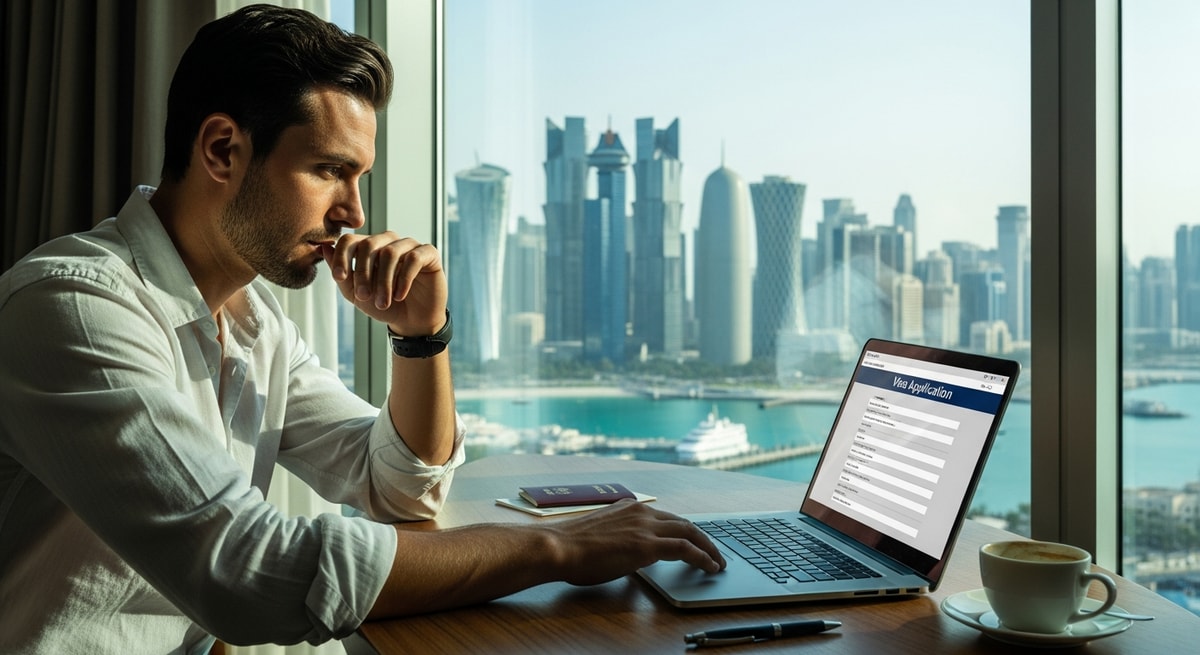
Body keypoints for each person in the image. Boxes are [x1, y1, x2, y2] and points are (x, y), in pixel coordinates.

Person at [0, 5, 724, 654]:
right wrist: (553, 547)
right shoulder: (74, 308)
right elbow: (249, 570)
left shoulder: (256, 324)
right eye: (328, 170)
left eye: (360, 177)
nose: (353, 211)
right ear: (222, 149)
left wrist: (421, 335)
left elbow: (400, 488)